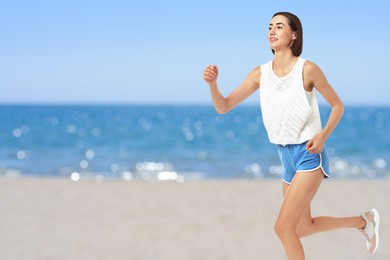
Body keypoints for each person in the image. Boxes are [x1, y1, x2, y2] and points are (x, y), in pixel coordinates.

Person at [202, 11, 380, 259]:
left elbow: (338, 106)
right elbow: (223, 106)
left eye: (279, 26)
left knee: (282, 228)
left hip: (308, 154)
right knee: (302, 228)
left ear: (294, 35)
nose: (272, 31)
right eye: (269, 27)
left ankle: (364, 222)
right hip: (285, 157)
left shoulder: (307, 69)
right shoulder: (260, 74)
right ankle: (363, 222)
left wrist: (323, 136)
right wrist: (213, 86)